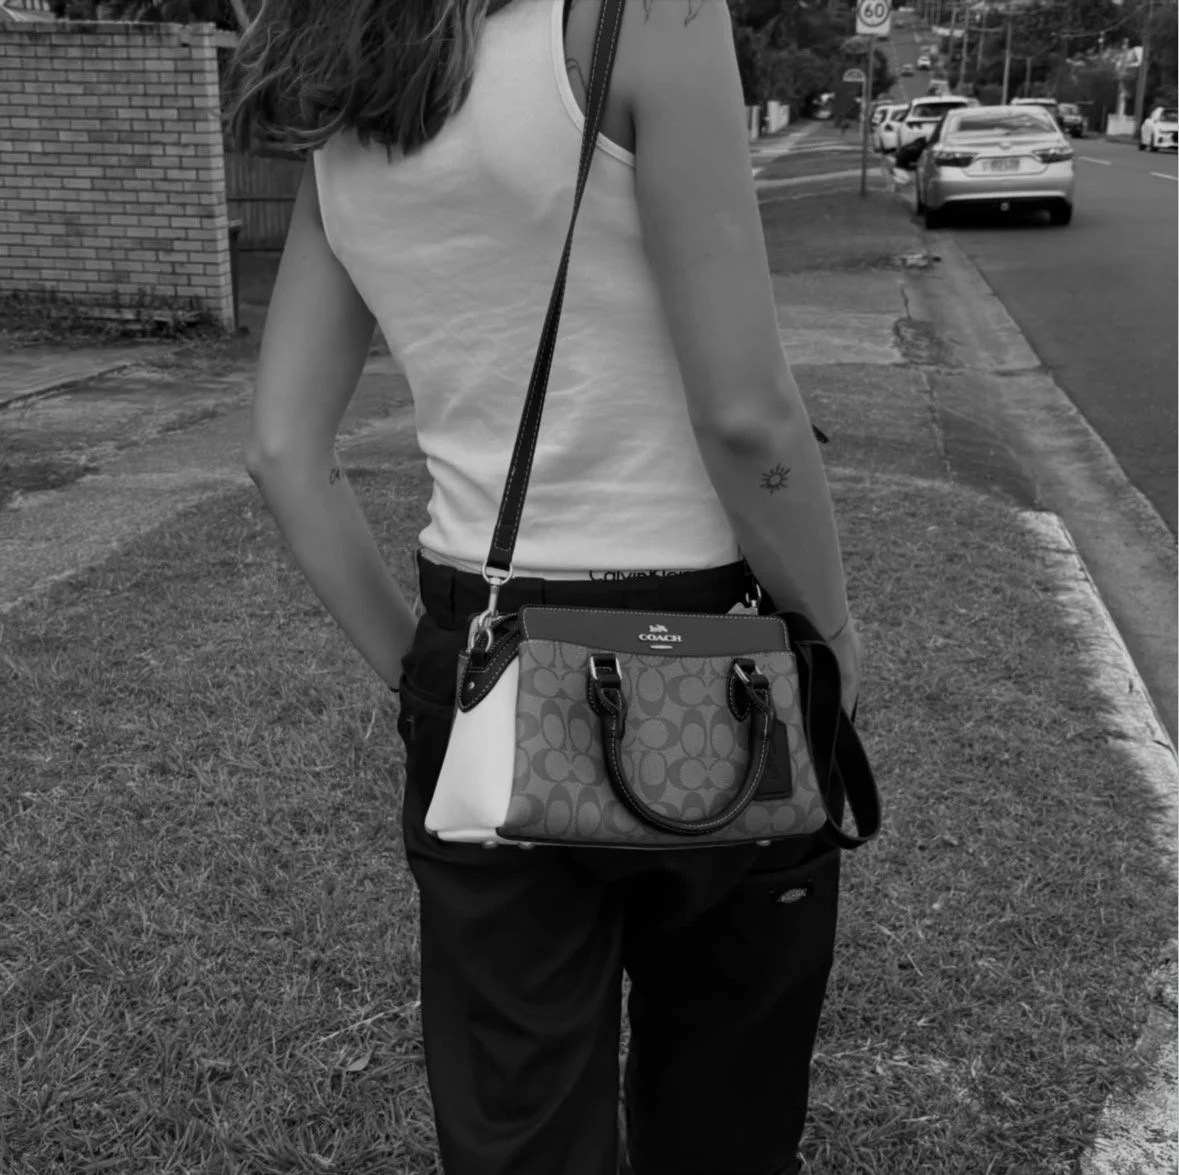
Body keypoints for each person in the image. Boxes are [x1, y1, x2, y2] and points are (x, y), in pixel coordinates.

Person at [229, 1, 863, 1173]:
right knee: (724, 1111)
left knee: (518, 1130)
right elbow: (746, 417)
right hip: (711, 656)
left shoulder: (343, 91)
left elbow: (282, 450)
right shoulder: (650, 19)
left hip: (484, 650)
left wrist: (427, 671)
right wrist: (829, 632)